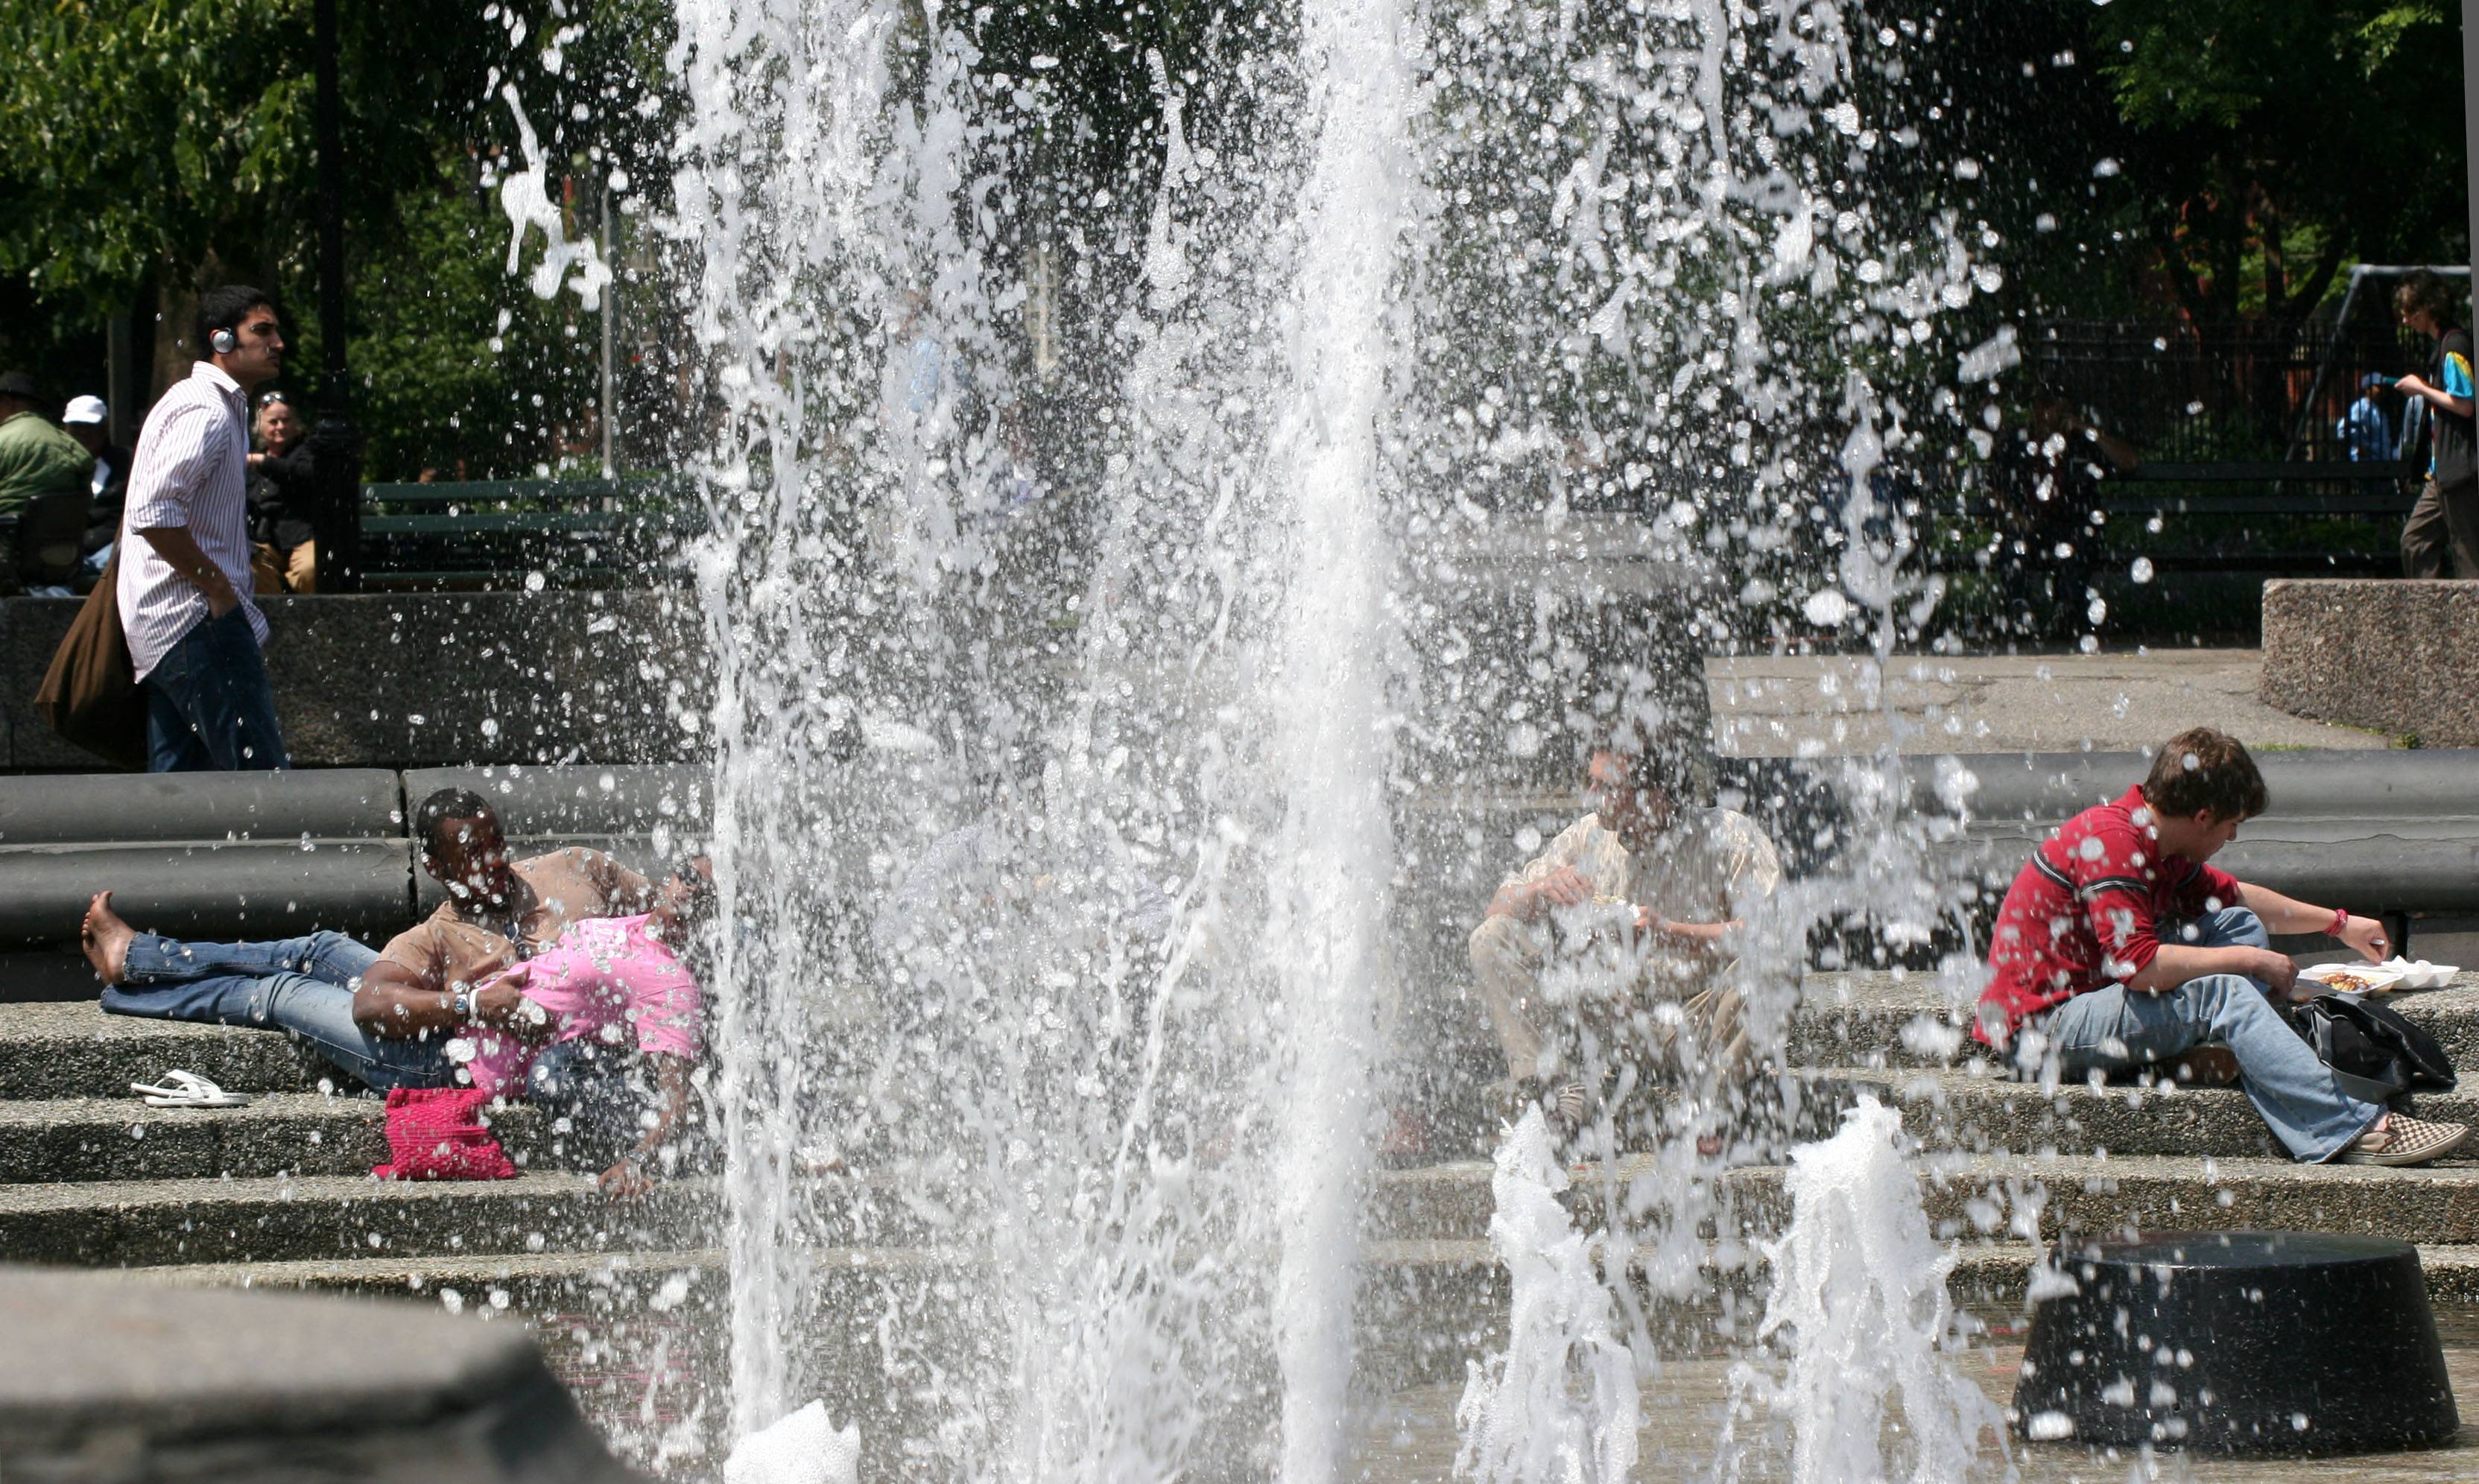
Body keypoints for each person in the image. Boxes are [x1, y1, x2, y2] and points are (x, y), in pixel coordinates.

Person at [1973, 726, 2468, 1167]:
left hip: (2093, 1005)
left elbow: (2236, 896)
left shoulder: (2157, 841)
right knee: (2225, 989)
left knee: (2235, 923)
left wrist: (2339, 924)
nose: (2232, 836)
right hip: (2040, 1032)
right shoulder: (2113, 843)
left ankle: (2228, 1049)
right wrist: (2248, 962)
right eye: (2232, 825)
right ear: (2203, 816)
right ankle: (2353, 1129)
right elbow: (2140, 967)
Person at [78, 788, 658, 1097]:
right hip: (451, 1042)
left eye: (498, 843)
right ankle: (136, 959)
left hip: (477, 1058)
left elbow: (662, 909)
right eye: (474, 856)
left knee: (285, 986)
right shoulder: (435, 936)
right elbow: (372, 1006)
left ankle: (132, 977)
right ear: (435, 868)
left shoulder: (574, 868)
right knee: (323, 949)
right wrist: (471, 1004)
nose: (496, 862)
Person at [1467, 727, 1782, 1147]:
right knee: (1493, 938)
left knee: (1774, 965)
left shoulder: (1731, 837)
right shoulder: (1588, 836)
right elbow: (1497, 908)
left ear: (1653, 795)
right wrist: (1540, 891)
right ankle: (1554, 1094)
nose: (1592, 796)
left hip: (1700, 1017)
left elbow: (1770, 933)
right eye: (1590, 782)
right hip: (1613, 1018)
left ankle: (1715, 1105)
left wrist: (1671, 932)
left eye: (1608, 787)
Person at [450, 858, 714, 1197]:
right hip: (461, 1012)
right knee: (364, 974)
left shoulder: (671, 982)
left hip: (467, 1061)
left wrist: (637, 1158)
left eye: (705, 891)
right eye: (688, 876)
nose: (691, 888)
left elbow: (678, 1104)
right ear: (669, 879)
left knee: (368, 1006)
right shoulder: (626, 925)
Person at [118, 285, 290, 771]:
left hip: (171, 624)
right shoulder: (207, 411)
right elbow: (153, 511)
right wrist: (217, 588)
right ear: (220, 341)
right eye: (262, 330)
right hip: (198, 622)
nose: (278, 343)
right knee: (263, 786)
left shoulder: (206, 404)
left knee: (182, 799)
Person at [2391, 270, 2479, 577]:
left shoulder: (2454, 347)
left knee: (2468, 554)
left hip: (2461, 471)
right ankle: (2434, 614)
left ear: (2428, 308)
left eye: (2410, 311)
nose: (2405, 320)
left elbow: (2466, 406)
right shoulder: (2443, 346)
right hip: (2442, 472)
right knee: (2415, 541)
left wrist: (2422, 389)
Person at [0, 371, 96, 583]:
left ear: (7, 403)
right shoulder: (72, 446)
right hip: (60, 559)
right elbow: (85, 503)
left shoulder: (3, 440)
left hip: (7, 552)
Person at [244, 390, 317, 594]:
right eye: (273, 422)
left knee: (309, 570)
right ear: (261, 426)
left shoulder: (308, 452)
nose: (280, 427)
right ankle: (278, 616)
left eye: (286, 421)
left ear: (295, 423)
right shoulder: (251, 460)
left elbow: (302, 475)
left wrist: (263, 462)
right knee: (246, 570)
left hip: (304, 540)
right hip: (266, 544)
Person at [61, 395, 132, 567]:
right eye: (77, 427)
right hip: (68, 552)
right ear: (65, 430)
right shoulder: (55, 466)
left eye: (90, 427)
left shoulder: (127, 462)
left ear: (104, 428)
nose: (84, 434)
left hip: (112, 549)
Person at [2337, 373, 2395, 463]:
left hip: (2382, 461)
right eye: (2378, 387)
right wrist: (2359, 448)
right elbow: (2344, 429)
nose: (2382, 390)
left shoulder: (2380, 410)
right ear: (2368, 389)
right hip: (2366, 462)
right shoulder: (2361, 407)